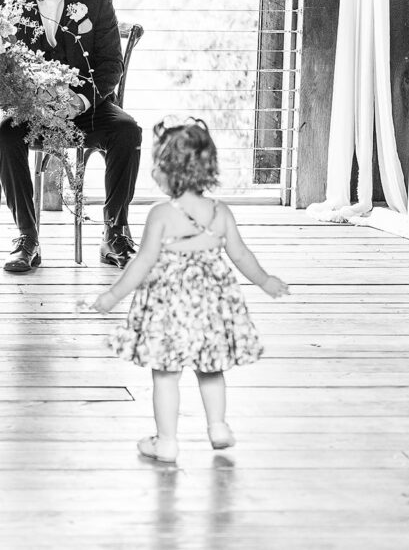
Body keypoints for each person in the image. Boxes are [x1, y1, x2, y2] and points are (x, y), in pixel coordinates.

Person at [87, 119, 289, 463]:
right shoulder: (220, 211)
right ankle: (218, 426)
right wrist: (266, 281)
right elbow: (241, 254)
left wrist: (112, 296)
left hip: (169, 308)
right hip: (211, 306)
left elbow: (142, 263)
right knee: (210, 368)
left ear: (166, 171)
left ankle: (166, 441)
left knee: (165, 373)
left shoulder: (162, 214)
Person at [0, 0, 143, 272]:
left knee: (128, 130)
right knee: (6, 136)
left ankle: (115, 235)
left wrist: (80, 99)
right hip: (29, 107)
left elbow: (111, 64)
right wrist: (29, 98)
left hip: (86, 106)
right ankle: (27, 238)